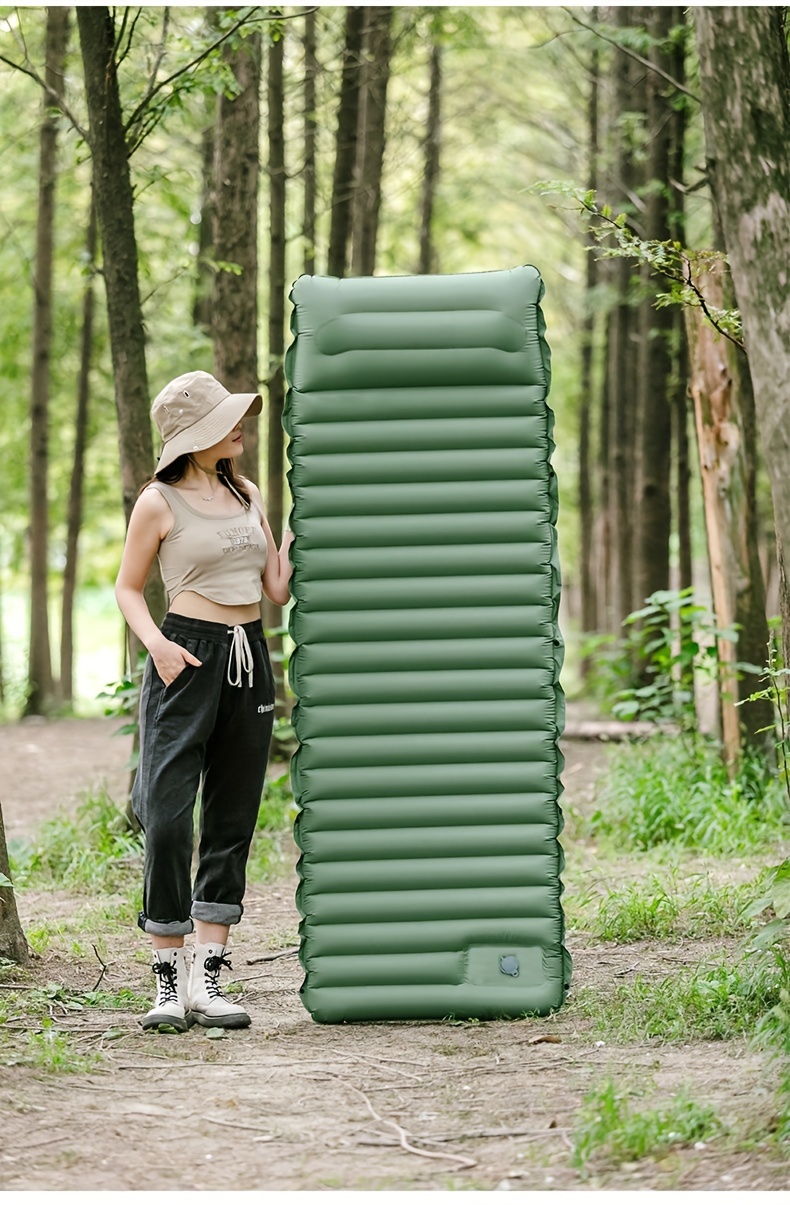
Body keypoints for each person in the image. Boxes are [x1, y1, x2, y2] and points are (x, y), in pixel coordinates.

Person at [115, 370, 294, 1033]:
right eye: (226, 418)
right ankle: (167, 978)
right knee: (166, 814)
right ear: (195, 435)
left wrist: (301, 525)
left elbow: (274, 586)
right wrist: (158, 645)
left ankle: (209, 976)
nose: (239, 425)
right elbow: (128, 587)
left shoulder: (246, 491)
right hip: (184, 655)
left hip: (250, 653)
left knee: (232, 813)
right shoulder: (158, 501)